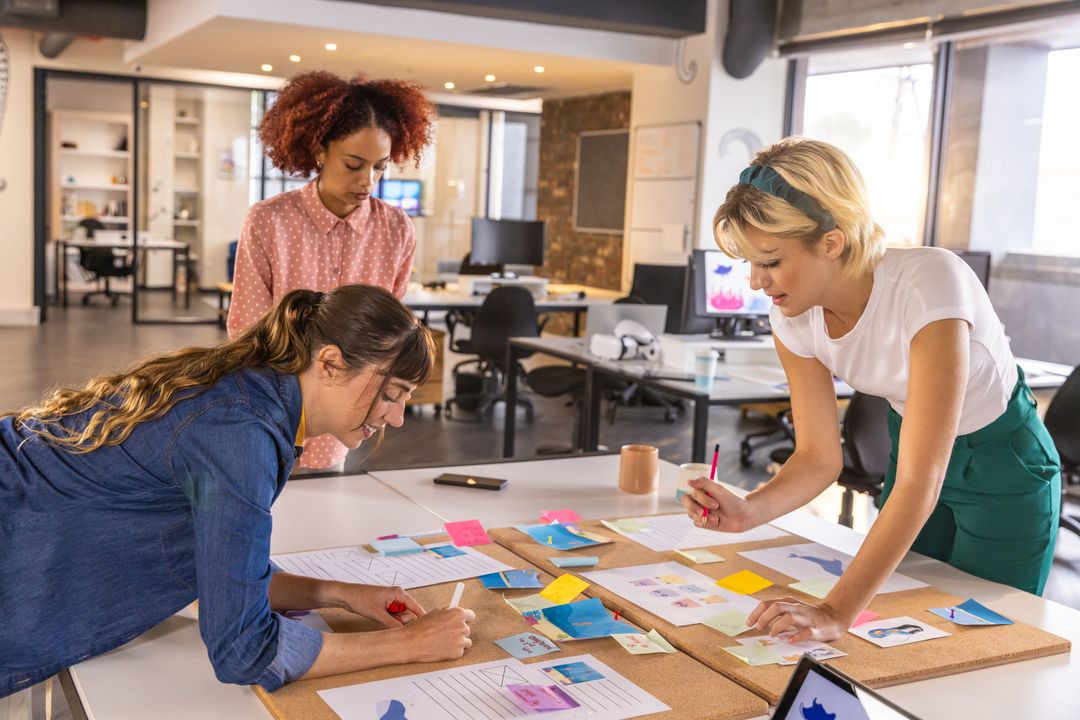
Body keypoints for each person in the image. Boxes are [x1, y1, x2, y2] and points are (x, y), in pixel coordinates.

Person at [0, 285, 474, 699]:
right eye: (392, 393)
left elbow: (227, 572)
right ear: (329, 362)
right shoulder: (240, 434)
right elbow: (243, 649)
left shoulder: (251, 391)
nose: (396, 418)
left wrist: (342, 594)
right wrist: (408, 645)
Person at [683, 137, 1060, 643]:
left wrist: (834, 611)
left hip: (1003, 462)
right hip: (912, 449)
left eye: (770, 261)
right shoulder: (792, 315)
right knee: (912, 628)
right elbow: (819, 456)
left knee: (988, 636)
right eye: (750, 262)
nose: (756, 281)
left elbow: (918, 484)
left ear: (831, 243)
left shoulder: (929, 283)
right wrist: (751, 508)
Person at [228, 70, 437, 472]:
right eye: (354, 164)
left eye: (379, 167)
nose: (367, 181)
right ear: (320, 150)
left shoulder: (396, 229)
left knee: (323, 505)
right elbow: (245, 327)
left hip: (350, 403)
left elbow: (390, 332)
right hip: (275, 401)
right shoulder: (270, 220)